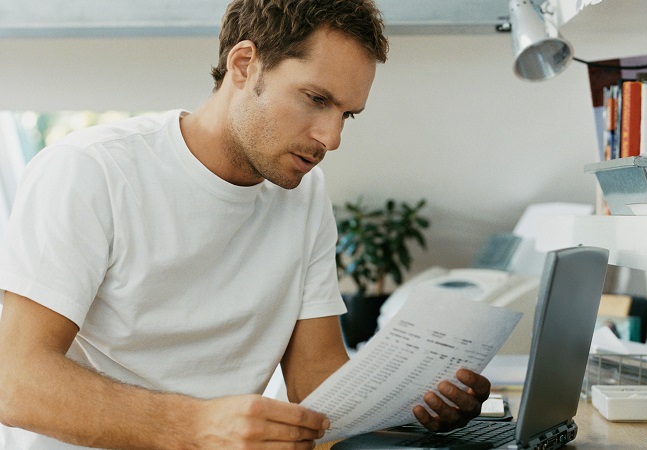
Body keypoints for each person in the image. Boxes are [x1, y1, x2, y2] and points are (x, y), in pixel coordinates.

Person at [0, 0, 491, 448]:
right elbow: (15, 381)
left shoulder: (304, 196)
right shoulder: (91, 170)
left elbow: (314, 382)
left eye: (347, 114)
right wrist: (196, 426)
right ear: (243, 65)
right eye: (316, 99)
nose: (332, 137)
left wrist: (414, 403)